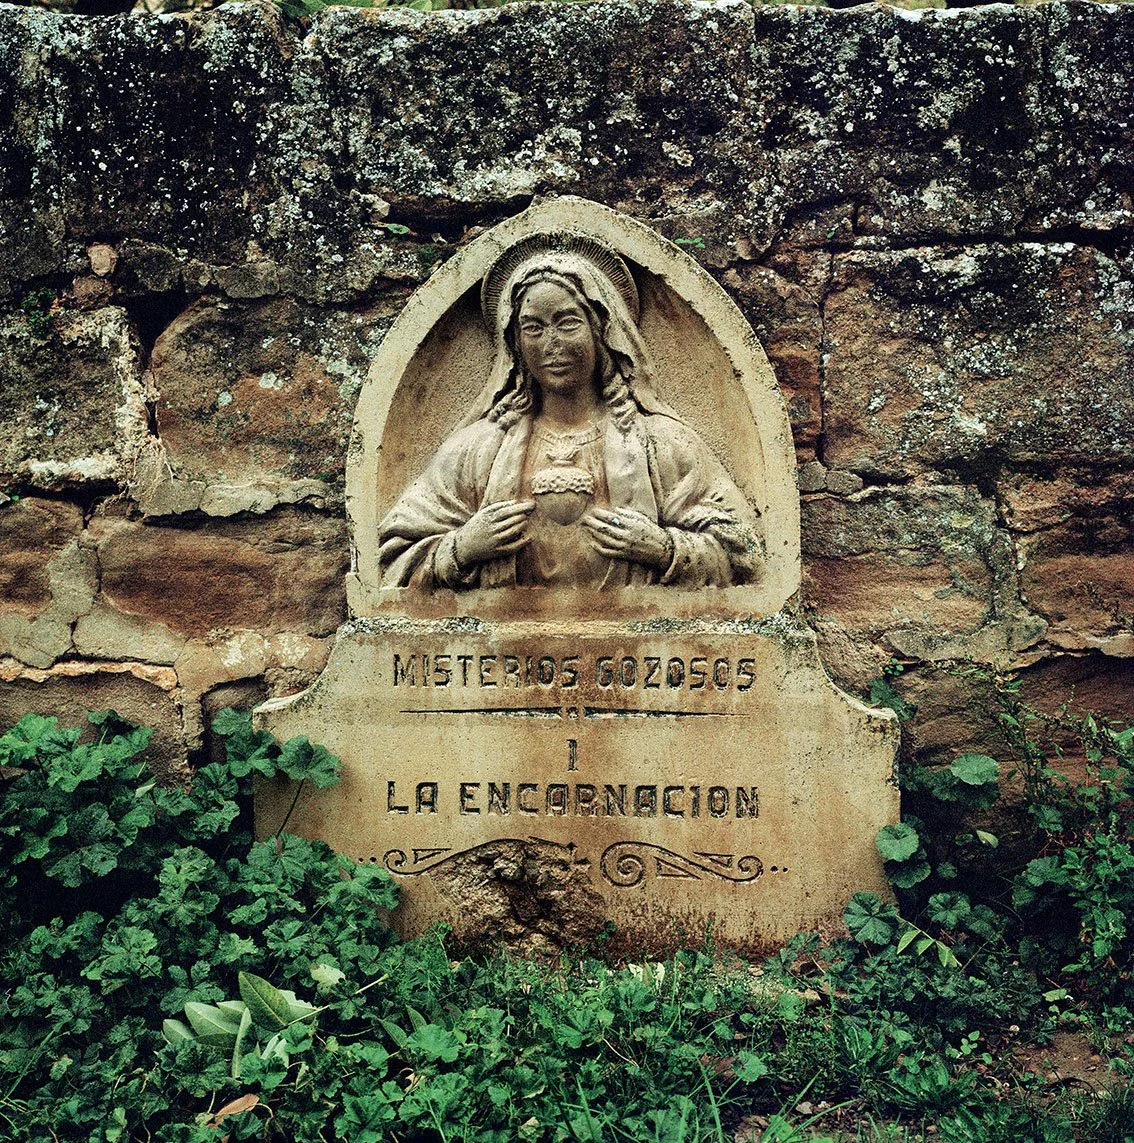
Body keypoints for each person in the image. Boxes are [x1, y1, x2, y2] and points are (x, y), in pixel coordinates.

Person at [378, 239, 763, 590]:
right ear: (515, 343)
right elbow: (392, 559)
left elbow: (748, 555)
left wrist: (665, 550)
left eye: (567, 323)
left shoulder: (661, 444)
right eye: (533, 327)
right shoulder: (478, 449)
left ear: (602, 332)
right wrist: (461, 549)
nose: (552, 344)